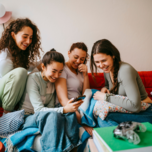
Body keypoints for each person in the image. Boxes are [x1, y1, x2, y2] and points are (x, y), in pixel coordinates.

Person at [20, 49, 82, 152]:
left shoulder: (53, 82)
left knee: (70, 114)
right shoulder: (33, 79)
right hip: (28, 116)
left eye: (60, 72)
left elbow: (50, 108)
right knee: (55, 115)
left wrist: (67, 110)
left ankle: (73, 148)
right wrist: (64, 110)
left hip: (43, 115)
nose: (57, 76)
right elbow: (39, 110)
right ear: (43, 67)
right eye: (54, 71)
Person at [90, 39, 152, 127]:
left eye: (104, 60)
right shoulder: (107, 70)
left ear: (113, 55)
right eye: (97, 62)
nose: (101, 65)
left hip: (145, 112)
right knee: (102, 116)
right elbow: (108, 86)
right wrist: (105, 89)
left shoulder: (125, 70)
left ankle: (121, 138)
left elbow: (135, 106)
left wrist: (105, 97)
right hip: (126, 111)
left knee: (104, 117)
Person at [0, 18, 42, 113]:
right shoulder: (5, 57)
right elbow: (15, 82)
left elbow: (29, 66)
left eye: (31, 38)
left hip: (6, 91)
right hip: (2, 93)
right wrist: (36, 70)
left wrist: (44, 61)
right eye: (25, 36)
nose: (28, 41)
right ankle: (7, 112)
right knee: (21, 72)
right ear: (13, 35)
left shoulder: (17, 53)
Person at [55, 42, 93, 135]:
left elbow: (86, 94)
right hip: (66, 106)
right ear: (68, 53)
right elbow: (62, 99)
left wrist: (85, 75)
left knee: (95, 96)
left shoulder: (80, 71)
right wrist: (80, 118)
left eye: (82, 59)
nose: (78, 61)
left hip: (79, 106)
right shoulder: (62, 69)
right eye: (75, 57)